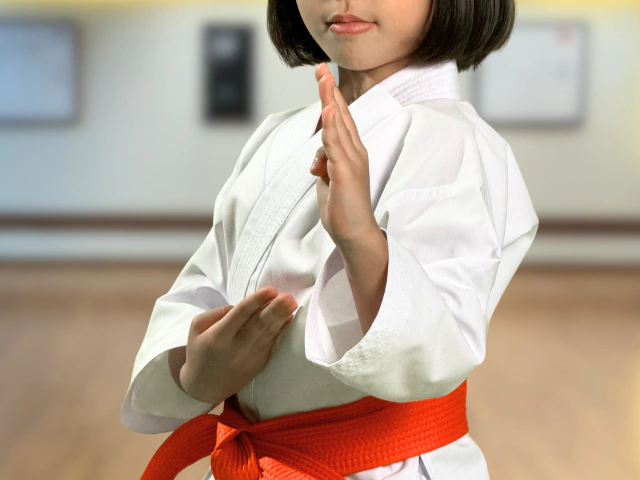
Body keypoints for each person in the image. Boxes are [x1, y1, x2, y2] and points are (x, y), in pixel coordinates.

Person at [121, 0, 539, 478]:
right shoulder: (279, 135)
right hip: (251, 461)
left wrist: (360, 237)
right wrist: (196, 372)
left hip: (382, 466)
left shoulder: (454, 141)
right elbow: (203, 285)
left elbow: (436, 350)